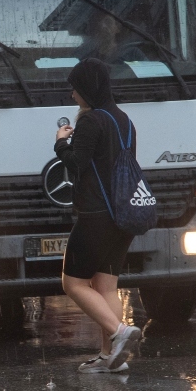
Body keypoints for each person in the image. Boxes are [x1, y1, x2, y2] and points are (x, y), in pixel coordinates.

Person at [53, 58, 142, 373]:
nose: (73, 94)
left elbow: (77, 163)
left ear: (87, 88)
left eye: (75, 88)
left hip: (95, 216)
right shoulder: (123, 120)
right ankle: (110, 359)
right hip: (123, 216)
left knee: (73, 283)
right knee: (105, 287)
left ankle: (119, 332)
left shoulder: (92, 122)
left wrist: (61, 143)